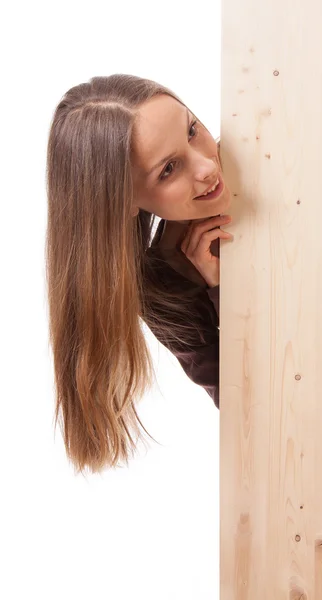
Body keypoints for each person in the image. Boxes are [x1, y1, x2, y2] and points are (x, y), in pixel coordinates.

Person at [45, 74, 233, 474]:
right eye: (168, 169)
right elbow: (246, 407)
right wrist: (222, 290)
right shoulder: (163, 285)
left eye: (193, 130)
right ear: (126, 202)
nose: (205, 165)